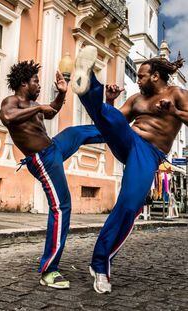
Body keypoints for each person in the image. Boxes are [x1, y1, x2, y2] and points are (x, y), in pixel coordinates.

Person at [72, 46, 187, 294]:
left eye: (141, 76)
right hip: (128, 140)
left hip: (149, 154)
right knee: (107, 115)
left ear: (155, 75)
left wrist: (174, 111)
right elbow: (115, 121)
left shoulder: (177, 94)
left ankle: (100, 261)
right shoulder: (136, 99)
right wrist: (111, 102)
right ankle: (88, 82)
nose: (138, 80)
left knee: (128, 205)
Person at [0, 60, 104, 289]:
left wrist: (61, 94)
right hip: (42, 159)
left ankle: (117, 130)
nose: (38, 85)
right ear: (24, 82)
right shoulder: (12, 102)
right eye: (35, 81)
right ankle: (49, 270)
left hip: (54, 148)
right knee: (61, 206)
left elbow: (52, 111)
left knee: (76, 132)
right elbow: (7, 118)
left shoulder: (33, 103)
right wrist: (39, 107)